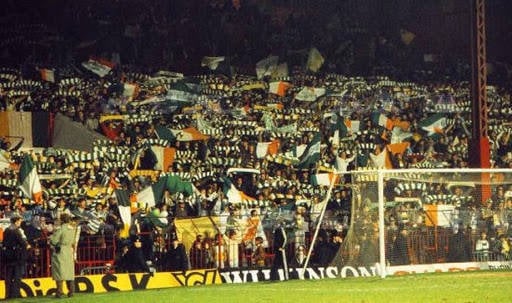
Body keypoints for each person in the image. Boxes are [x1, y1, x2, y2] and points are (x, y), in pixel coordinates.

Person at [49, 213, 77, 298]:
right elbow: (73, 241)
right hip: (69, 250)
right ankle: (71, 291)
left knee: (59, 272)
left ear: (61, 220)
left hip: (60, 251)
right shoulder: (72, 229)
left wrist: (51, 238)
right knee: (69, 272)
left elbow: (54, 240)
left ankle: (59, 292)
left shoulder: (60, 229)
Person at [2, 216, 31, 299]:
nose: (20, 223)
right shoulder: (16, 230)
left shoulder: (6, 230)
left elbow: (4, 242)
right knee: (17, 275)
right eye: (19, 221)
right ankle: (15, 294)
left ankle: (8, 294)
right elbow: (22, 242)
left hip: (8, 255)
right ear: (16, 221)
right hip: (16, 255)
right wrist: (27, 246)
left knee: (8, 276)